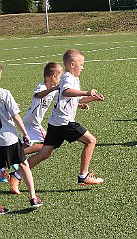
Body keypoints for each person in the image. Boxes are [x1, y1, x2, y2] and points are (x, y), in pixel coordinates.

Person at [10, 49, 104, 194]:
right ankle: (83, 176)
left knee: (44, 153)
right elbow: (66, 91)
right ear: (72, 64)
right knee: (91, 141)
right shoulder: (67, 77)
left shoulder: (74, 78)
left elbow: (75, 97)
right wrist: (86, 92)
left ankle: (16, 175)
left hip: (56, 123)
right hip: (64, 122)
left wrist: (93, 98)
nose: (83, 67)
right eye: (81, 64)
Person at [0, 63, 42, 208]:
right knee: (24, 165)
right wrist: (25, 133)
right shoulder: (4, 93)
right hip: (9, 138)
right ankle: (33, 197)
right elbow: (15, 116)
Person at [23, 62, 63, 155]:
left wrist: (79, 104)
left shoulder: (53, 89)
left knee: (26, 143)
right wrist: (53, 89)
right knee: (48, 144)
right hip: (33, 121)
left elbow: (60, 99)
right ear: (53, 76)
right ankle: (17, 156)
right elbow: (39, 95)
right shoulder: (42, 86)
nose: (60, 80)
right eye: (59, 77)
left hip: (29, 120)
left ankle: (11, 157)